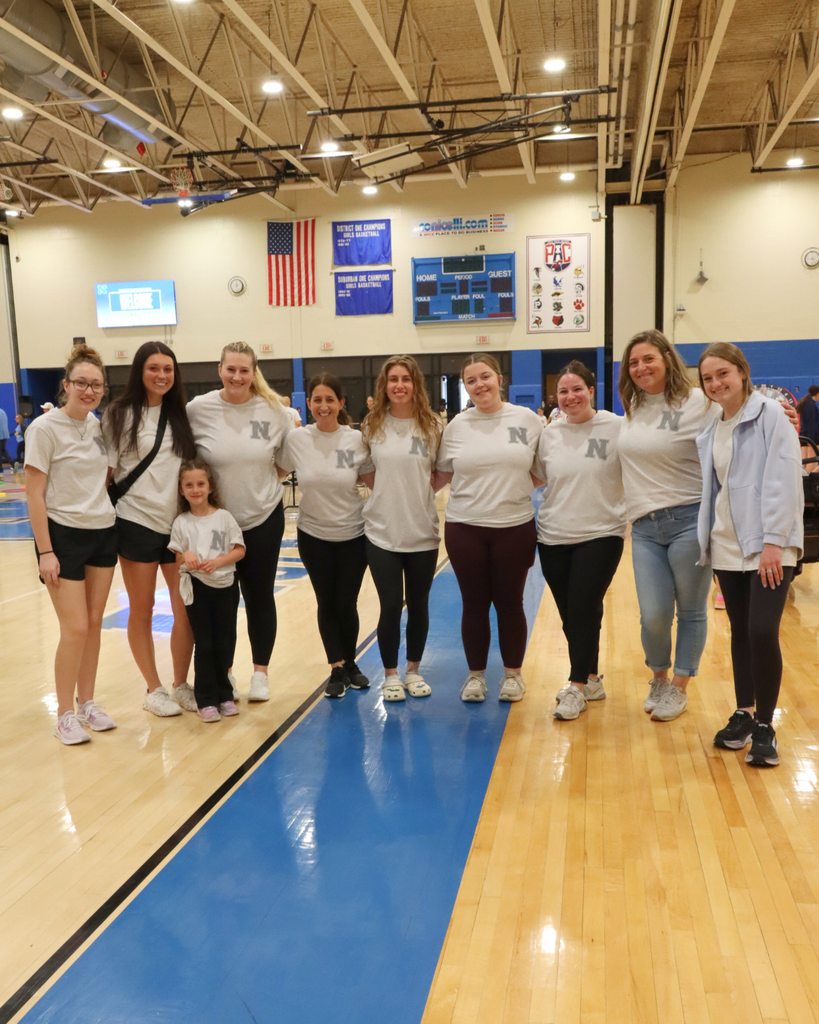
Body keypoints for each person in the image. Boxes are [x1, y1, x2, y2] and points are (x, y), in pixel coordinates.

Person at [697, 343, 803, 767]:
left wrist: (774, 541)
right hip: (727, 545)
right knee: (740, 631)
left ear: (742, 372)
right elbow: (716, 492)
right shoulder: (712, 428)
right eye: (707, 378)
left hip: (768, 545)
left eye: (723, 373)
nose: (716, 383)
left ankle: (765, 724)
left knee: (762, 631)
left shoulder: (770, 415)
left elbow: (782, 478)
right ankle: (743, 712)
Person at [616, 329, 718, 722]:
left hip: (689, 519)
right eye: (634, 362)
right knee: (653, 613)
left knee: (690, 611)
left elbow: (737, 413)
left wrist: (782, 414)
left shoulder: (698, 401)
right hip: (643, 525)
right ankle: (658, 676)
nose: (641, 367)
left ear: (667, 360)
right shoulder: (633, 406)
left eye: (648, 359)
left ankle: (679, 686)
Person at [187, 342, 292, 702]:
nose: (237, 376)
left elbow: (283, 461)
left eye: (244, 370)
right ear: (220, 370)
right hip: (216, 526)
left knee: (260, 595)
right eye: (230, 369)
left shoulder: (274, 411)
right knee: (222, 601)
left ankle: (260, 673)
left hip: (262, 518)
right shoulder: (198, 409)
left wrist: (260, 485)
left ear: (253, 372)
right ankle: (226, 673)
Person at [24, 344, 118, 744]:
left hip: (103, 531)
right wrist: (45, 551)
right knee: (75, 627)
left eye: (96, 384)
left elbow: (107, 478)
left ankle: (88, 703)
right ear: (66, 385)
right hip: (62, 537)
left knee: (94, 624)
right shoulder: (44, 429)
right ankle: (64, 713)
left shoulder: (103, 428)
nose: (88, 390)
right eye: (81, 382)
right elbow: (34, 494)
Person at [434, 354, 541, 703]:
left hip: (514, 526)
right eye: (471, 380)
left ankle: (513, 675)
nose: (480, 385)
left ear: (499, 379)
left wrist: (512, 490)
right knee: (474, 604)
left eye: (485, 377)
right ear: (465, 387)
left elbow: (542, 468)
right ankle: (475, 676)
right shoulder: (457, 427)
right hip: (465, 527)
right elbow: (443, 475)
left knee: (510, 602)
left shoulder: (527, 420)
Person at [103, 341, 198, 717]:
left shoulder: (181, 414)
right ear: (139, 371)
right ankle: (153, 688)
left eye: (168, 369)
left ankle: (180, 683)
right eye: (154, 368)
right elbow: (107, 473)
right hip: (135, 520)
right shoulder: (119, 414)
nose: (161, 375)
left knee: (184, 610)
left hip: (176, 525)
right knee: (141, 610)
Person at [533, 361, 627, 720]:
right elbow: (536, 478)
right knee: (573, 615)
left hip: (602, 533)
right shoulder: (549, 434)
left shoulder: (617, 427)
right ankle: (591, 677)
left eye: (577, 389)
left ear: (591, 390)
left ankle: (575, 687)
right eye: (562, 391)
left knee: (584, 606)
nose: (570, 397)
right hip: (554, 535)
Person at [276, 373, 371, 699]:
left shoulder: (356, 440)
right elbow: (273, 474)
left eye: (330, 399)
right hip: (313, 535)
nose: (324, 405)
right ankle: (336, 667)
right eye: (317, 399)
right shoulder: (297, 440)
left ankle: (351, 663)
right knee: (326, 602)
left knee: (347, 602)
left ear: (341, 403)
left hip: (353, 534)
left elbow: (375, 481)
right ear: (309, 404)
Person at [361, 355, 442, 702]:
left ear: (415, 384)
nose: (399, 385)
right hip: (381, 532)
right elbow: (366, 471)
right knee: (391, 604)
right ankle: (391, 674)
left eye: (405, 379)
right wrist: (388, 493)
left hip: (422, 531)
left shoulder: (433, 426)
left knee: (419, 604)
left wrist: (417, 492)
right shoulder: (371, 425)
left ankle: (413, 669)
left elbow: (441, 471)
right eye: (393, 379)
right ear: (384, 385)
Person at [169, 460, 245, 723]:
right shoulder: (182, 522)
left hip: (225, 586)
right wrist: (186, 554)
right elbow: (178, 554)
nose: (195, 489)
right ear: (181, 490)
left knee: (223, 641)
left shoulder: (224, 517)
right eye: (189, 485)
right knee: (204, 643)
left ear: (210, 486)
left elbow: (239, 549)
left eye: (200, 483)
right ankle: (206, 699)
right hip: (197, 588)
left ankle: (225, 694)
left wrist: (219, 561)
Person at [0, 405, 10, 472]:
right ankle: (13, 462)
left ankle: (0, 470)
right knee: (3, 451)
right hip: (5, 434)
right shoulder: (3, 412)